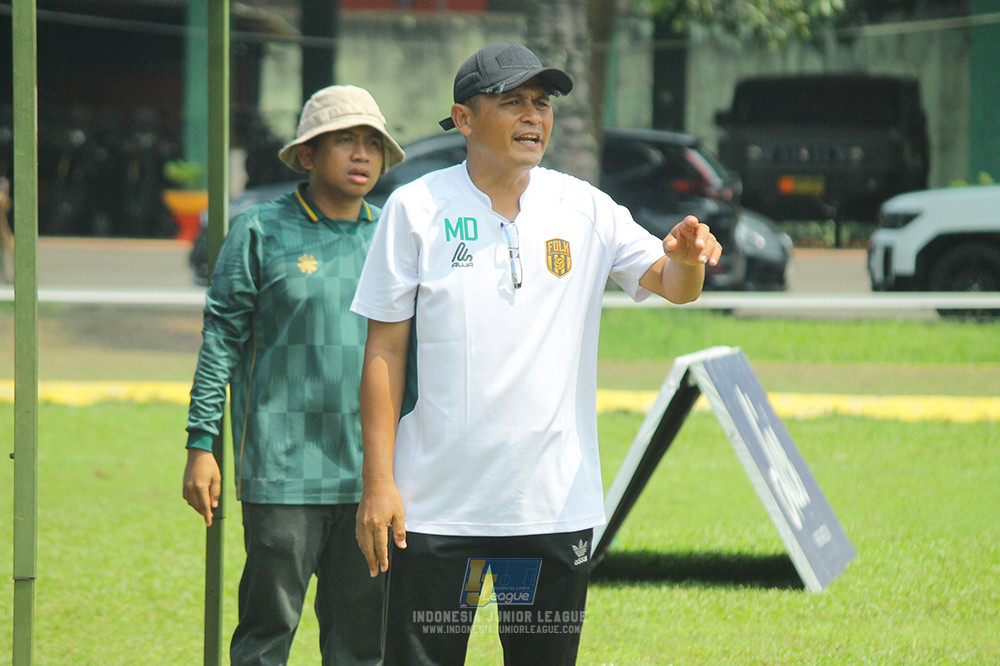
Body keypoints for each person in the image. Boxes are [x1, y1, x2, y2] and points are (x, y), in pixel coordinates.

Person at [351, 42, 722, 665]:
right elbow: (383, 352)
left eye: (542, 103)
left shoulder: (586, 208)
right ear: (463, 119)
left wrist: (687, 259)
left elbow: (673, 286)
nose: (533, 117)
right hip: (436, 511)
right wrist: (379, 483)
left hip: (551, 506)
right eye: (512, 102)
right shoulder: (415, 210)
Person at [182, 84, 404, 666]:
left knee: (361, 646)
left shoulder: (393, 237)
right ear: (307, 155)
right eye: (345, 141)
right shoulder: (258, 231)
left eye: (373, 144)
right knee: (264, 637)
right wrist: (200, 445)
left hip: (371, 478)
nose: (362, 155)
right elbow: (220, 341)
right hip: (281, 475)